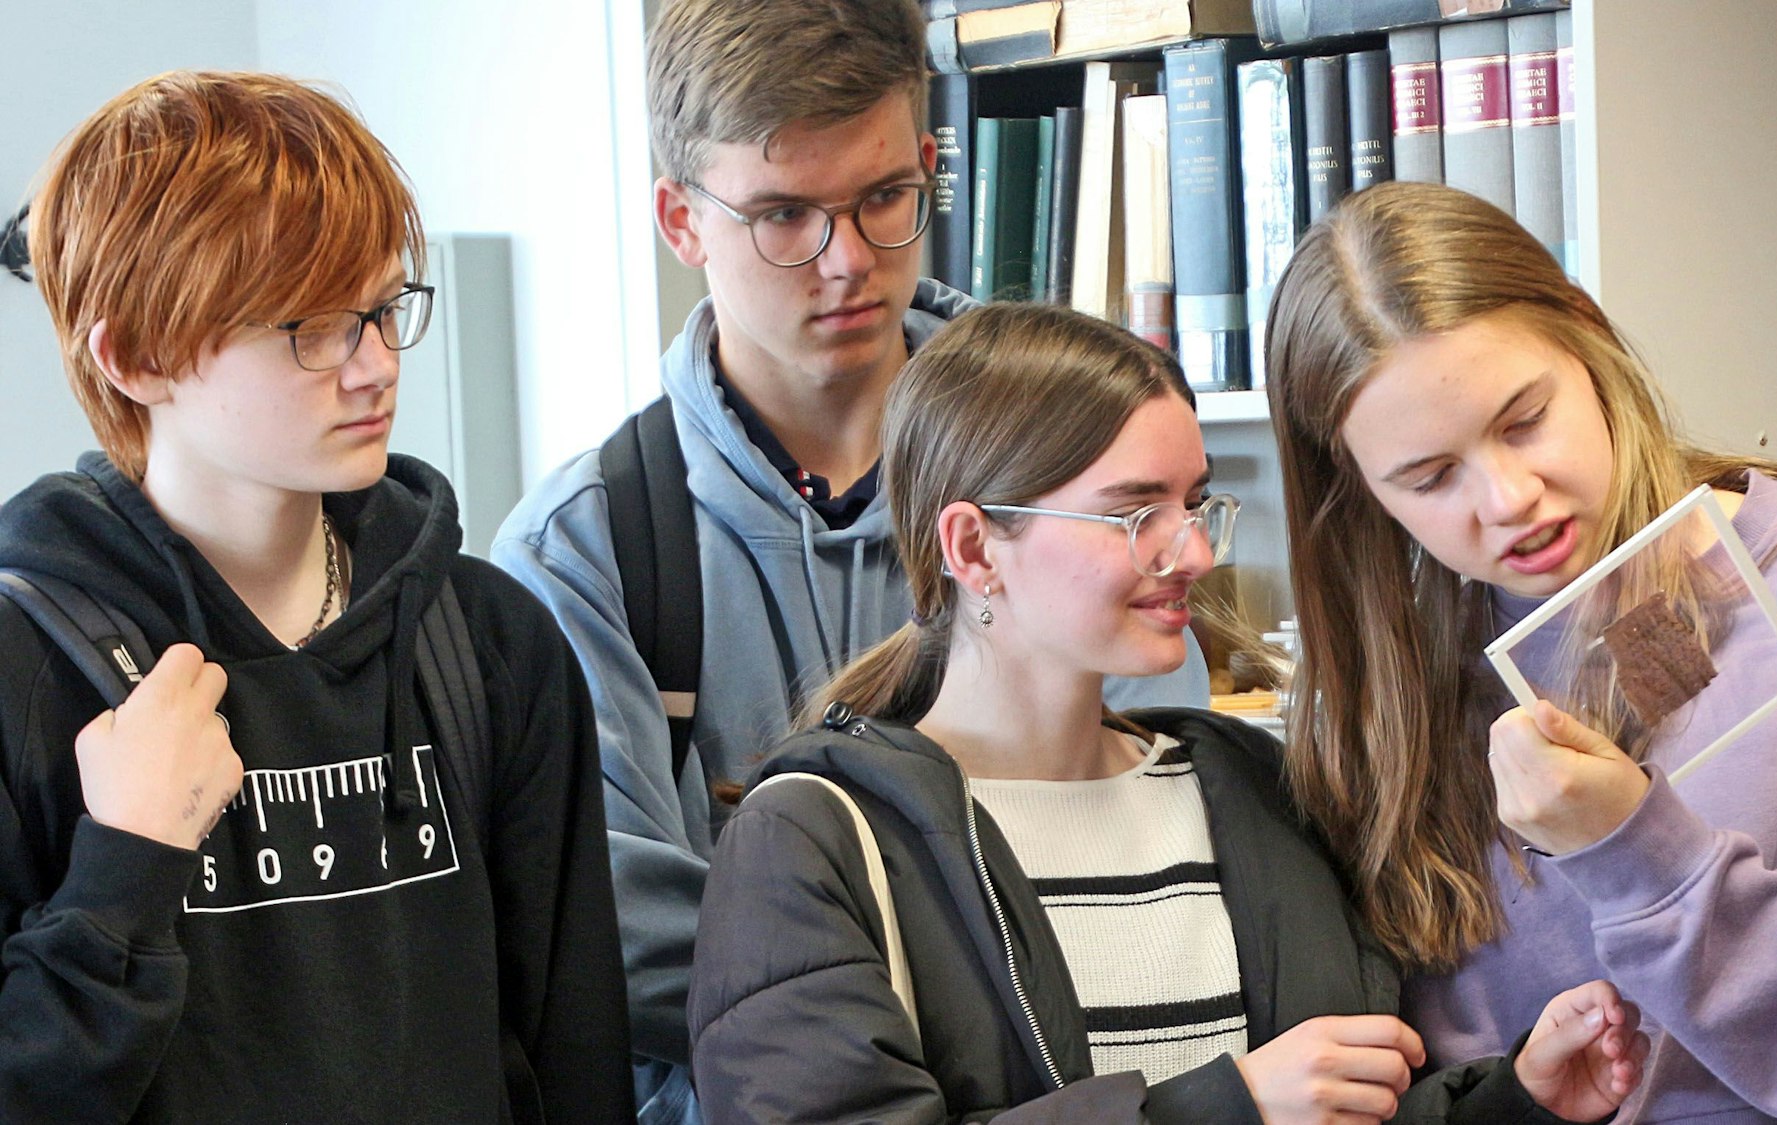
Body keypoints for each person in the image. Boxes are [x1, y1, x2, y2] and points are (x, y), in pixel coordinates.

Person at [491, 2, 1206, 1116]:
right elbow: (607, 929)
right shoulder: (582, 552)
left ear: (929, 162)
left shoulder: (1084, 459)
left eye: (883, 200)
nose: (846, 263)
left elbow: (1170, 820)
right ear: (681, 220)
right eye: (783, 216)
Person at [687, 302, 1649, 1122]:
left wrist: (1509, 1100)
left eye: (1194, 503)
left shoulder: (1253, 789)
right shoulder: (813, 840)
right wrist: (1227, 1106)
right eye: (1132, 512)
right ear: (976, 548)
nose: (1191, 551)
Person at [1263, 180, 1777, 1122]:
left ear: (1587, 332)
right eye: (1430, 476)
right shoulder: (1389, 696)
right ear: (1359, 488)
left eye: (1524, 418)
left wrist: (1644, 857)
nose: (1508, 497)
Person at [0, 71, 632, 1121]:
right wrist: (122, 869)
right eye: (312, 326)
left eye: (384, 310)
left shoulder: (489, 642)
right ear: (135, 355)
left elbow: (573, 1055)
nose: (375, 366)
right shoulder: (25, 670)